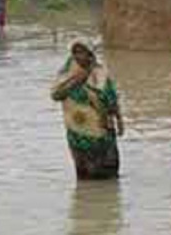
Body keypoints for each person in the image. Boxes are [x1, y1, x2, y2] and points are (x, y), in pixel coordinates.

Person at [51, 41, 125, 180]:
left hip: (101, 131)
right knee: (84, 176)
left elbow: (111, 98)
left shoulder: (100, 73)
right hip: (77, 132)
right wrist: (78, 79)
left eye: (82, 52)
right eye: (75, 53)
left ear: (90, 55)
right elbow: (56, 95)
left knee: (108, 176)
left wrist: (120, 120)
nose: (78, 56)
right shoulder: (66, 73)